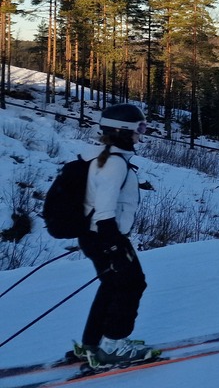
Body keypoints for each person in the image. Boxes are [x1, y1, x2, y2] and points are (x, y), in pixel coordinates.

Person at [76, 104, 156, 368]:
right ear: (123, 130)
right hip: (106, 236)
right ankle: (113, 346)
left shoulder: (108, 157)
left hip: (97, 236)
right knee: (132, 285)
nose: (141, 133)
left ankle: (92, 345)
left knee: (112, 286)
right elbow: (104, 210)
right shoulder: (114, 164)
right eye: (139, 128)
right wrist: (114, 246)